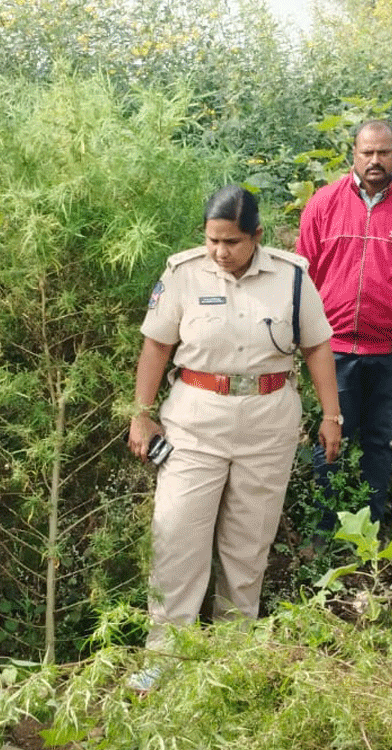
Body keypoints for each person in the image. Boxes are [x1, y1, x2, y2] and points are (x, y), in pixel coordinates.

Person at [128, 185, 342, 675]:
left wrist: (331, 416)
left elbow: (317, 347)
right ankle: (164, 658)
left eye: (232, 242)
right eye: (212, 241)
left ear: (257, 236)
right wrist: (142, 412)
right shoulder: (183, 273)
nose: (221, 252)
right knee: (177, 540)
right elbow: (156, 346)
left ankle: (230, 658)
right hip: (195, 422)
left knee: (247, 548)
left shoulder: (291, 277)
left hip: (268, 421)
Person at [295, 119, 392, 526]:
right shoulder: (324, 203)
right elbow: (304, 271)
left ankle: (370, 532)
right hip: (332, 348)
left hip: (390, 351)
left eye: (384, 152)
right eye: (367, 152)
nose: (375, 160)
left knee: (378, 441)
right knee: (329, 437)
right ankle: (326, 533)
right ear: (353, 155)